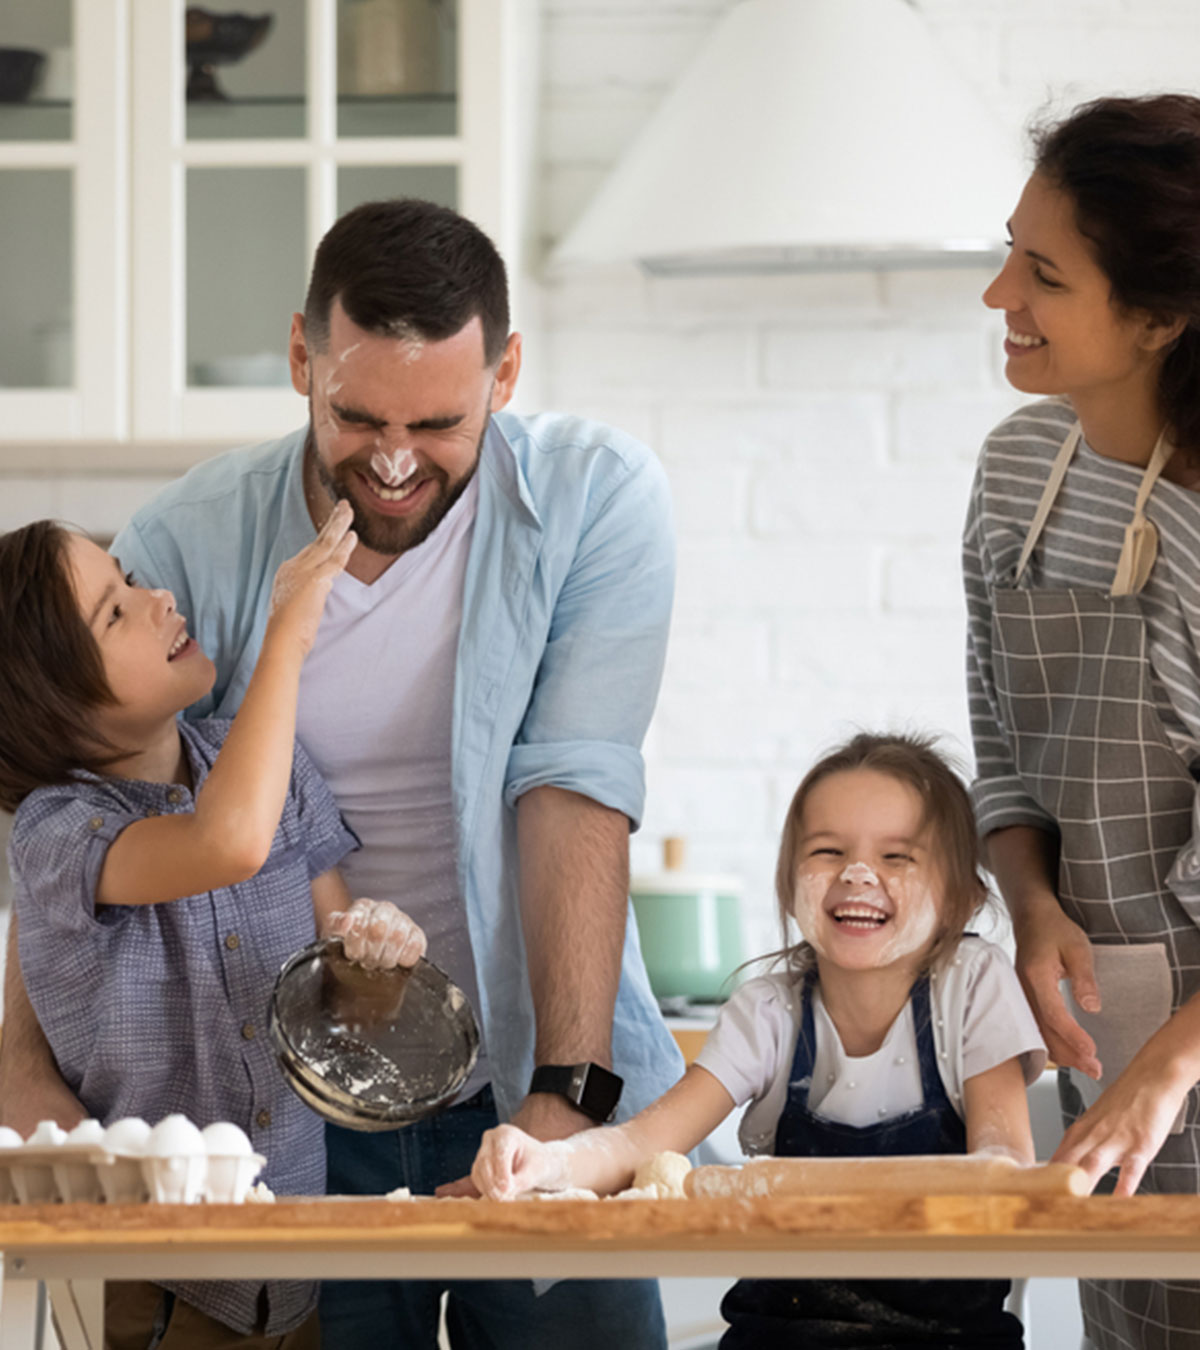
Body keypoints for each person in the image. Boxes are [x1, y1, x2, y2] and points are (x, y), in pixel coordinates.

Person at [0, 197, 682, 1349]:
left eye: (441, 421)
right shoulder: (188, 547)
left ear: (506, 371)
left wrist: (566, 1101)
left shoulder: (592, 501)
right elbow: (99, 817)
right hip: (289, 1121)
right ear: (302, 359)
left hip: (539, 1082)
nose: (398, 461)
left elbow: (572, 792)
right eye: (358, 416)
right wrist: (28, 1085)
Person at [0, 503, 428, 1347]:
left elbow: (346, 1006)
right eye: (114, 611)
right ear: (49, 702)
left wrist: (379, 956)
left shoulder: (274, 768)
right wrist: (290, 638)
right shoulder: (54, 834)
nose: (157, 597)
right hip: (158, 1284)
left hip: (295, 1266)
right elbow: (224, 843)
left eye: (127, 581)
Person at [472, 732, 1046, 1350]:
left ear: (964, 899)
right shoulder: (770, 1011)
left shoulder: (973, 986)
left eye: (897, 858)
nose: (857, 874)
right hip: (780, 1335)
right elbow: (644, 1143)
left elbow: (1004, 1166)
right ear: (787, 882)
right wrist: (546, 1161)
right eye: (828, 851)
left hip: (951, 1337)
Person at [964, 93, 1200, 1350]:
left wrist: (1171, 1064)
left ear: (1160, 318)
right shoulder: (1015, 476)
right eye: (1011, 250)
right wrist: (1035, 902)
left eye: (1044, 273)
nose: (1001, 293)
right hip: (1108, 1030)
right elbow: (1000, 750)